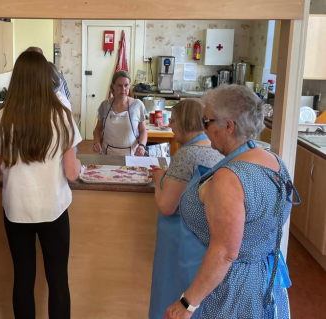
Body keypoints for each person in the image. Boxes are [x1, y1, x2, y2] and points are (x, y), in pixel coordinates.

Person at [164, 85, 299, 319]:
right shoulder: (275, 162)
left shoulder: (229, 178)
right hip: (266, 279)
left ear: (228, 126)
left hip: (232, 290)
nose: (204, 129)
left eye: (207, 122)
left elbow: (225, 252)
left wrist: (187, 303)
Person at [0, 51, 82, 319]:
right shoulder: (62, 115)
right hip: (53, 209)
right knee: (58, 280)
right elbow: (72, 173)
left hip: (16, 210)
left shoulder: (3, 117)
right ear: (45, 78)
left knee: (23, 279)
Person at [148, 99, 223, 318]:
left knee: (172, 292)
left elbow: (166, 206)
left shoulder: (186, 155)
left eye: (172, 121)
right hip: (205, 240)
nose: (170, 126)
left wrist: (158, 178)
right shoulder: (215, 148)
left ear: (184, 123)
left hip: (180, 239)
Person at [92, 71, 147, 156]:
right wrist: (96, 142)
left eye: (126, 85)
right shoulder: (105, 105)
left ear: (129, 86)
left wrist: (142, 146)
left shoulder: (138, 105)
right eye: (119, 85)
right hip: (107, 155)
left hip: (132, 155)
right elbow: (98, 129)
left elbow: (143, 130)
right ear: (113, 86)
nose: (123, 89)